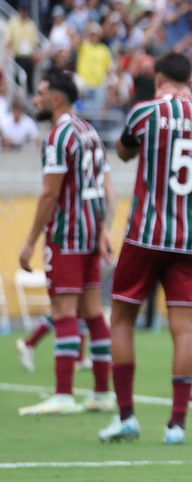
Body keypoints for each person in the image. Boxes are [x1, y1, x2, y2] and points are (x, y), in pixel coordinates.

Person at [99, 52, 192, 445]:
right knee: (184, 328)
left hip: (145, 234)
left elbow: (123, 151)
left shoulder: (146, 112)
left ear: (158, 78)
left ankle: (126, 417)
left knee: (121, 320)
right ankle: (177, 424)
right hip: (189, 237)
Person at [17, 70, 116, 416]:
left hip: (66, 234)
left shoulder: (58, 137)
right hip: (89, 233)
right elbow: (106, 186)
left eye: (40, 93)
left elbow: (50, 194)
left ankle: (63, 394)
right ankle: (103, 393)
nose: (36, 99)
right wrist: (104, 228)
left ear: (56, 99)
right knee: (93, 312)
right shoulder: (89, 131)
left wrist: (30, 241)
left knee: (63, 312)